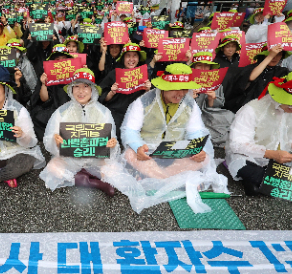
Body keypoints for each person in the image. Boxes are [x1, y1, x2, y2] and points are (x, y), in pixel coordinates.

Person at [108, 63, 228, 213]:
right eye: (175, 89)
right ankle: (176, 180)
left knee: (205, 158)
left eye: (184, 89)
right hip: (149, 151)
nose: (180, 93)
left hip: (177, 150)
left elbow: (196, 131)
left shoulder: (190, 104)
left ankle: (155, 178)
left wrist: (200, 149)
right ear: (164, 86)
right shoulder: (144, 102)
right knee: (130, 154)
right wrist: (138, 146)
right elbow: (129, 130)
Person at [226, 69, 292, 202]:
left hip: (285, 158)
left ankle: (264, 184)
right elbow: (237, 144)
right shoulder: (252, 109)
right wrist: (270, 154)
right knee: (244, 167)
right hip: (250, 156)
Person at [39, 68, 119, 195]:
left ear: (92, 90)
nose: (81, 91)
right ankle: (94, 182)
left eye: (86, 86)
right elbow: (49, 138)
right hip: (70, 158)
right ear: (71, 89)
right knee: (53, 167)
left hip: (95, 158)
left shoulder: (103, 112)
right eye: (76, 86)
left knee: (113, 168)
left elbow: (111, 137)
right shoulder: (62, 111)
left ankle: (80, 177)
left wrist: (112, 143)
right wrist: (57, 142)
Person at [224, 44, 292, 114]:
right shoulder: (252, 68)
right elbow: (251, 77)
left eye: (279, 54)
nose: (275, 57)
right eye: (271, 54)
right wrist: (270, 56)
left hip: (270, 111)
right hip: (244, 108)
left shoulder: (282, 71)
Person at [190, 52, 235, 147]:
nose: (203, 68)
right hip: (190, 113)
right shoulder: (186, 79)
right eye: (199, 65)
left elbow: (218, 104)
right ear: (194, 66)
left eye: (206, 66)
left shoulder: (215, 79)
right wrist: (190, 98)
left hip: (209, 112)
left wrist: (211, 99)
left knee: (229, 116)